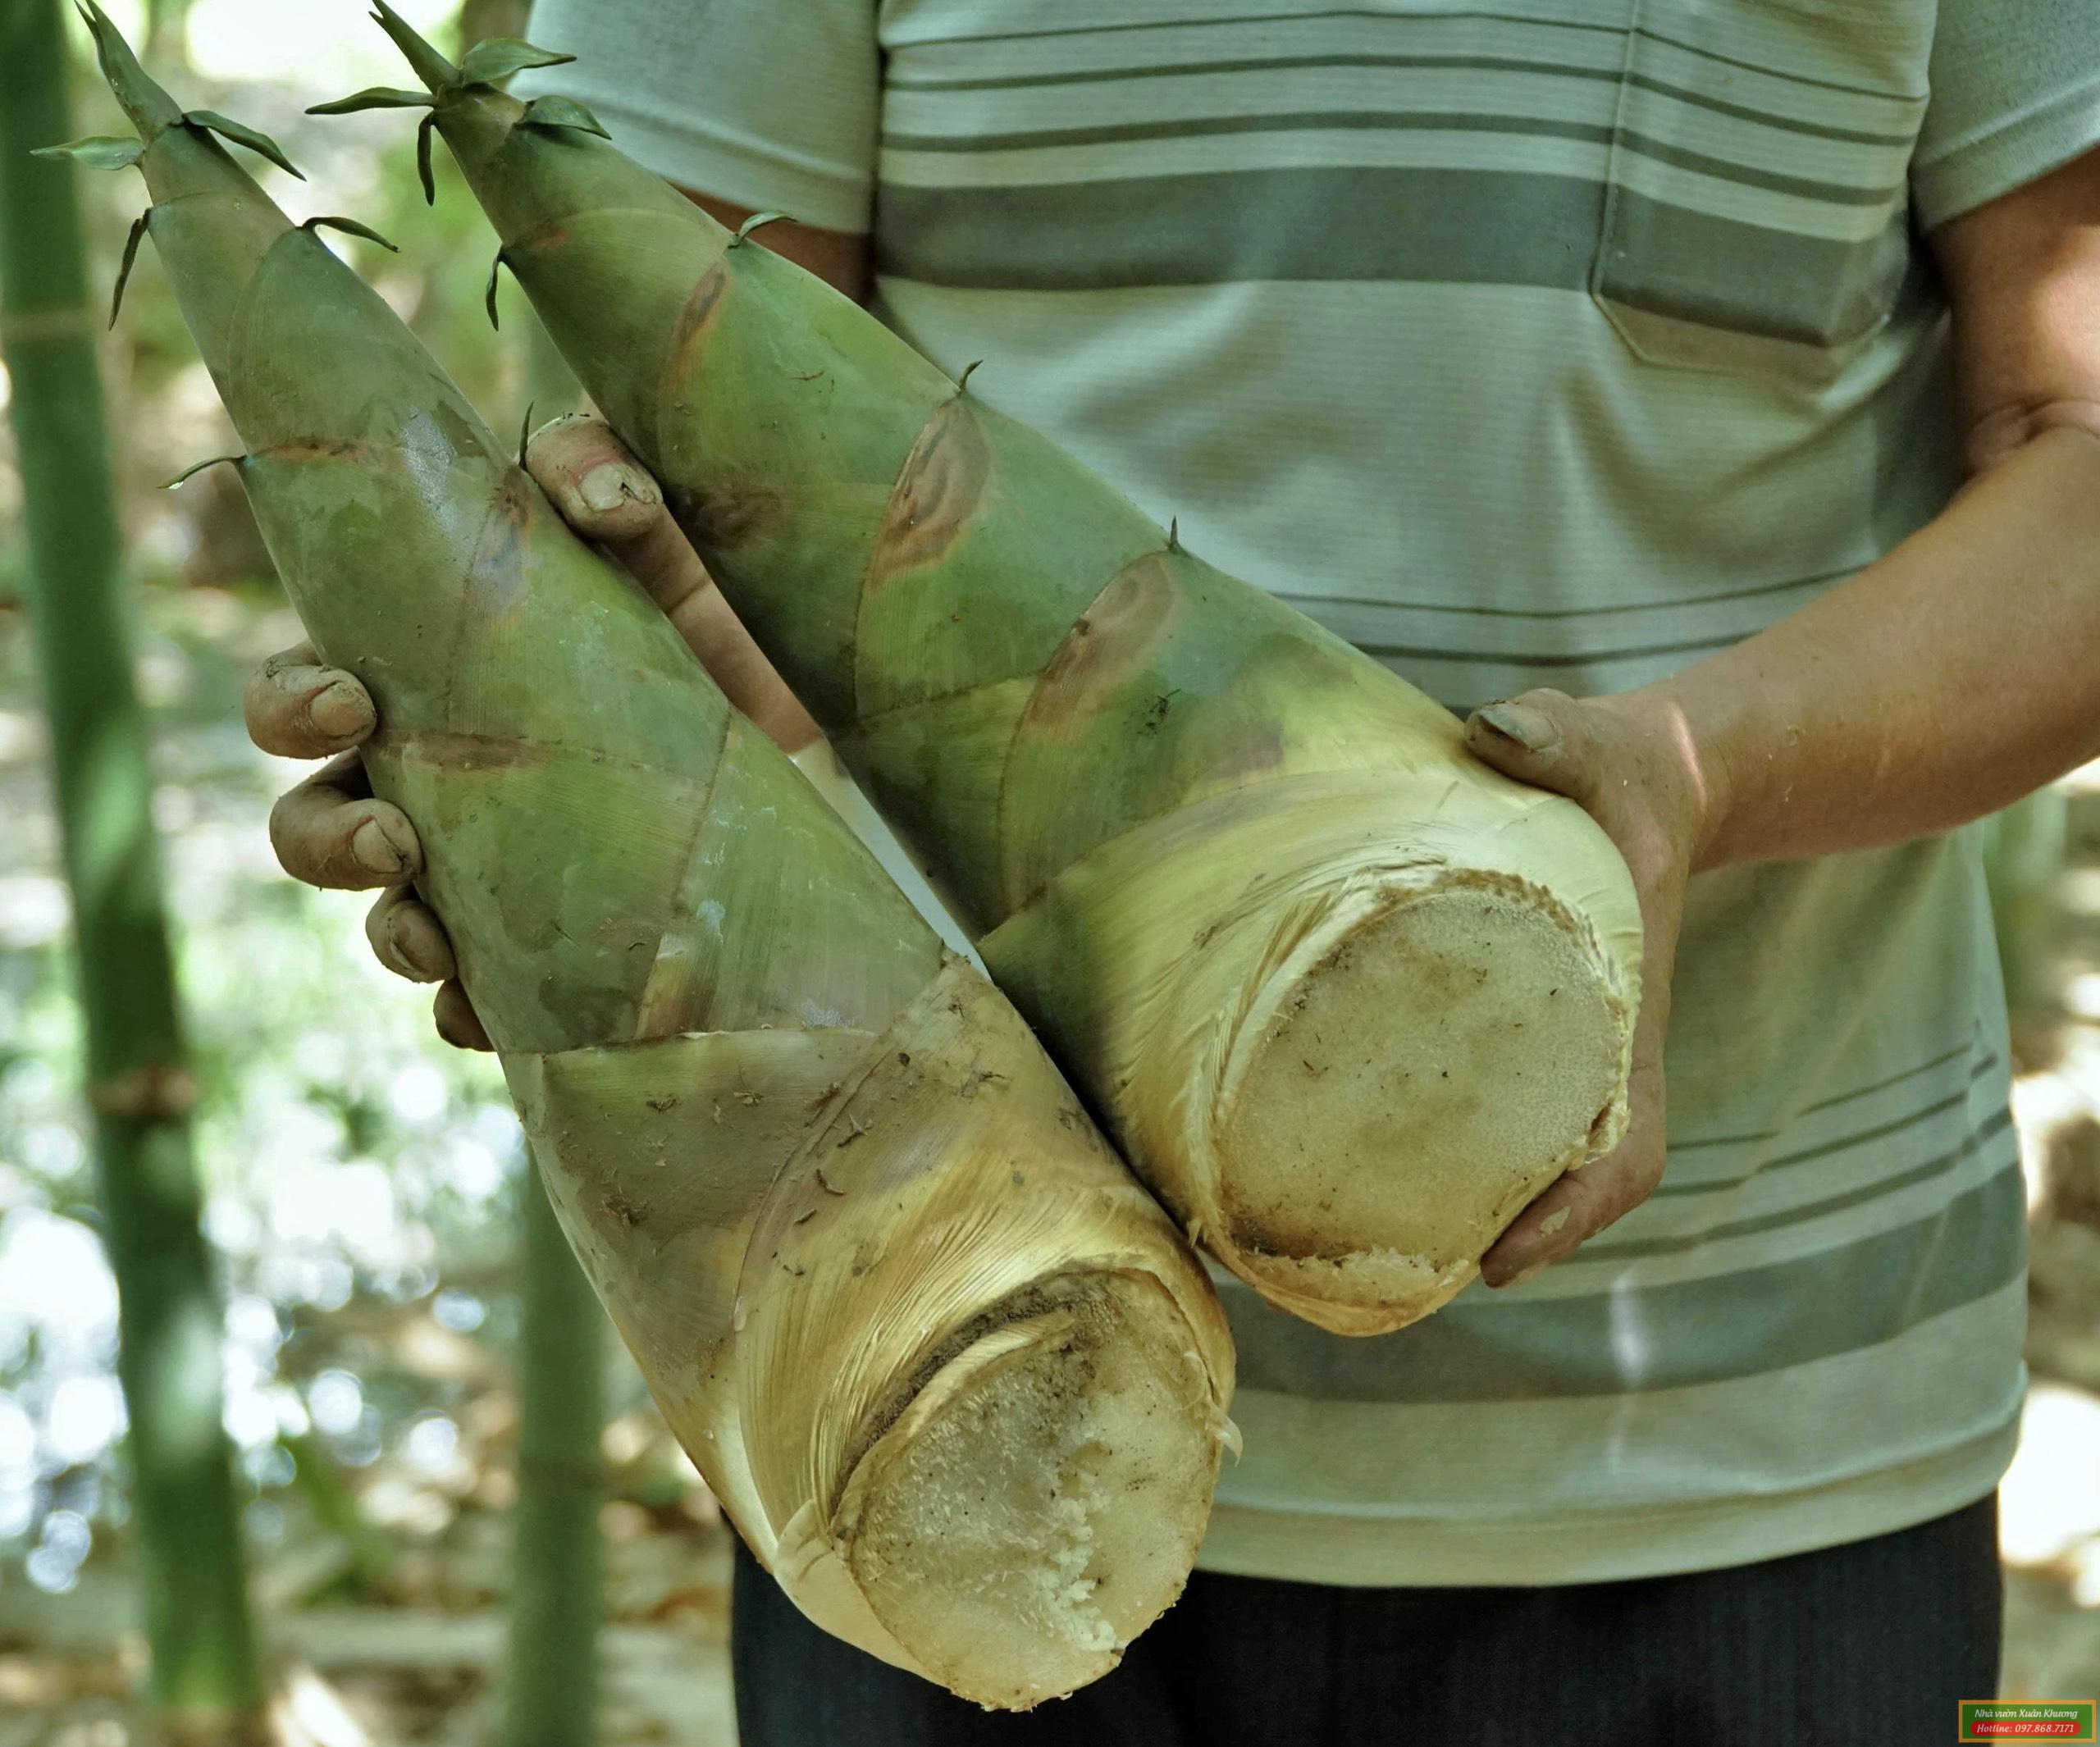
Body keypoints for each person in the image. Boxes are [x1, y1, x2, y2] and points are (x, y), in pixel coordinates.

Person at [246, 2, 2100, 1740]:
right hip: (924, 1408)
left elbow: (2073, 438)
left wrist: (1696, 776)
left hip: (1777, 1425)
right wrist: (533, 746)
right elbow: (700, 496)